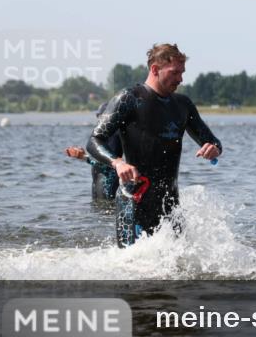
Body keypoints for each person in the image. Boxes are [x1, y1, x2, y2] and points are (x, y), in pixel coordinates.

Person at [88, 44, 222, 247]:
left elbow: (212, 141)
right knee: (132, 269)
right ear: (155, 69)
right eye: (175, 72)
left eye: (182, 73)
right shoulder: (129, 98)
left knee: (179, 270)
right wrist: (117, 163)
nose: (180, 79)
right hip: (133, 203)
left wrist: (213, 149)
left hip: (170, 205)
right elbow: (94, 140)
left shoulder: (183, 105)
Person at [65, 102, 122, 202]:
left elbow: (109, 166)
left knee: (106, 212)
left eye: (101, 116)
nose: (99, 119)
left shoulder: (114, 134)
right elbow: (100, 162)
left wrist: (83, 156)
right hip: (99, 198)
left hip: (109, 196)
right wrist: (82, 155)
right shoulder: (100, 136)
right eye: (98, 116)